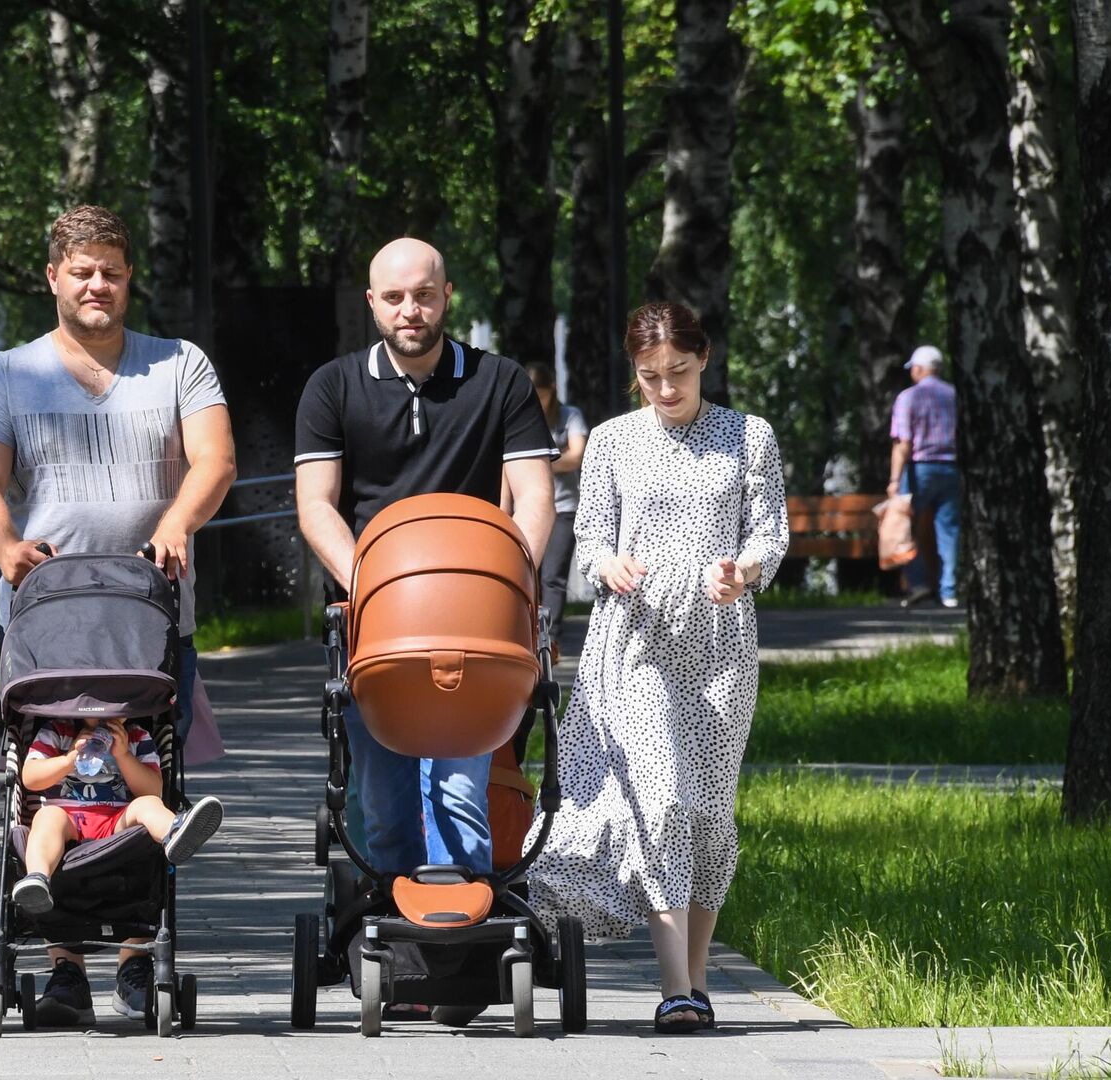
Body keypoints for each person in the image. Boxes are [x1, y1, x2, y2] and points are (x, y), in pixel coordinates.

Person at [0, 204, 236, 1025]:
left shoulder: (179, 363)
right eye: (81, 271)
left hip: (150, 616)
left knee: (142, 776)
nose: (97, 285)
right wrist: (4, 545)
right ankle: (64, 967)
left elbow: (214, 458)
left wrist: (178, 519)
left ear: (128, 277)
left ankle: (138, 958)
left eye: (111, 271)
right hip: (47, 626)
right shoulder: (7, 374)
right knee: (46, 784)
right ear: (53, 277)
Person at [293, 237, 558, 1024]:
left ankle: (461, 957)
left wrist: (509, 580)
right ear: (372, 304)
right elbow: (317, 505)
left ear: (448, 296)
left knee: (460, 785)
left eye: (425, 295)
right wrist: (373, 583)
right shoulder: (334, 386)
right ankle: (403, 953)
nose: (412, 311)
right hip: (380, 618)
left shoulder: (500, 382)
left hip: (475, 621)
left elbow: (533, 499)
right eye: (395, 298)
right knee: (380, 797)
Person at [525, 301, 789, 1035]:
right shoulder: (611, 440)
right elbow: (592, 538)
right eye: (648, 377)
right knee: (663, 796)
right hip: (636, 638)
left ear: (704, 359)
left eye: (677, 372)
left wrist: (745, 569)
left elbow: (770, 529)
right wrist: (608, 564)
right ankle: (673, 983)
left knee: (708, 811)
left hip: (719, 641)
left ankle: (696, 980)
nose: (665, 388)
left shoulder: (749, 435)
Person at [9, 716, 226, 1024]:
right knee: (46, 818)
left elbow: (153, 786)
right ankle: (37, 878)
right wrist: (70, 758)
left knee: (148, 803)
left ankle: (174, 832)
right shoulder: (56, 732)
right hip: (70, 823)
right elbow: (30, 777)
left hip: (117, 825)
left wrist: (123, 754)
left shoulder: (136, 736)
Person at [509, 360, 588, 636]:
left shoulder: (569, 416)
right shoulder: (518, 415)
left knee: (553, 576)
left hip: (564, 507)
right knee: (525, 574)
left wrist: (532, 464)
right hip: (525, 510)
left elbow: (577, 455)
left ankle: (550, 637)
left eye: (540, 395)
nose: (537, 401)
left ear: (552, 390)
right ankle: (523, 633)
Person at [887, 344, 960, 608]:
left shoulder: (909, 397)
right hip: (952, 468)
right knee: (949, 531)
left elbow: (903, 443)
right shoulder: (955, 395)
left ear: (918, 369)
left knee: (904, 527)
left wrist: (895, 480)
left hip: (920, 469)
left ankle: (918, 584)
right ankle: (949, 591)